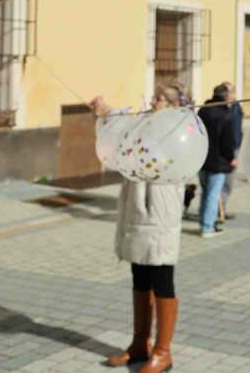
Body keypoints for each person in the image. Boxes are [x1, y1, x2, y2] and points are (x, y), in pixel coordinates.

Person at [92, 83, 187, 373]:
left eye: (161, 99)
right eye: (155, 97)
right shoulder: (145, 125)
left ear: (173, 106)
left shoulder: (179, 129)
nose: (154, 102)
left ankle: (162, 352)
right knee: (140, 276)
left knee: (161, 276)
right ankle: (139, 344)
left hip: (160, 209)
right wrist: (106, 111)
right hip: (137, 208)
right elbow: (123, 126)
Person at [197, 84, 238, 237]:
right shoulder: (225, 115)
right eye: (231, 93)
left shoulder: (203, 110)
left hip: (202, 159)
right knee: (213, 195)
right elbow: (227, 142)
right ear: (226, 96)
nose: (233, 96)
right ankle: (207, 227)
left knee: (205, 193)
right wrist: (231, 158)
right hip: (218, 162)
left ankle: (203, 223)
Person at [219, 81, 244, 221]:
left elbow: (237, 127)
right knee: (218, 180)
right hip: (221, 148)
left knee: (229, 181)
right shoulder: (217, 107)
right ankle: (217, 209)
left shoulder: (236, 107)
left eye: (231, 91)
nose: (229, 95)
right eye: (226, 91)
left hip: (233, 148)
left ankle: (223, 207)